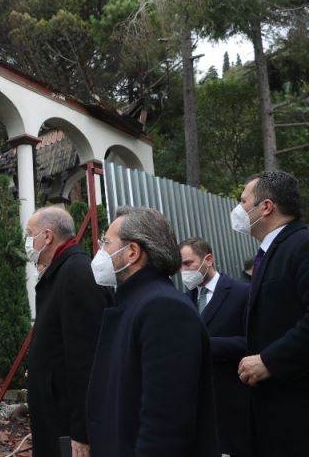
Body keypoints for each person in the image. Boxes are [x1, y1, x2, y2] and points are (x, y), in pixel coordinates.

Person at [85, 207, 218, 457]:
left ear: (132, 252)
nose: (100, 250)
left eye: (106, 242)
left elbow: (165, 424)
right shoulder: (132, 303)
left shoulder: (164, 308)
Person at [24, 206, 111, 457]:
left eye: (30, 233)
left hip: (66, 421)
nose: (27, 241)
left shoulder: (76, 273)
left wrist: (82, 432)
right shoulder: (60, 271)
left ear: (48, 236)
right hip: (53, 415)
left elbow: (86, 359)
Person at [234, 171, 309, 456]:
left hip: (296, 409)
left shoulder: (301, 244)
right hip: (274, 408)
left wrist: (270, 360)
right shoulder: (273, 250)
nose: (239, 209)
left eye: (243, 201)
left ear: (265, 207)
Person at [180, 237, 251, 456]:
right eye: (180, 265)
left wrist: (206, 346)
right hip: (197, 405)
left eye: (188, 263)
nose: (183, 271)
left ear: (208, 259)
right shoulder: (183, 299)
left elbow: (252, 341)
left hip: (232, 402)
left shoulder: (242, 292)